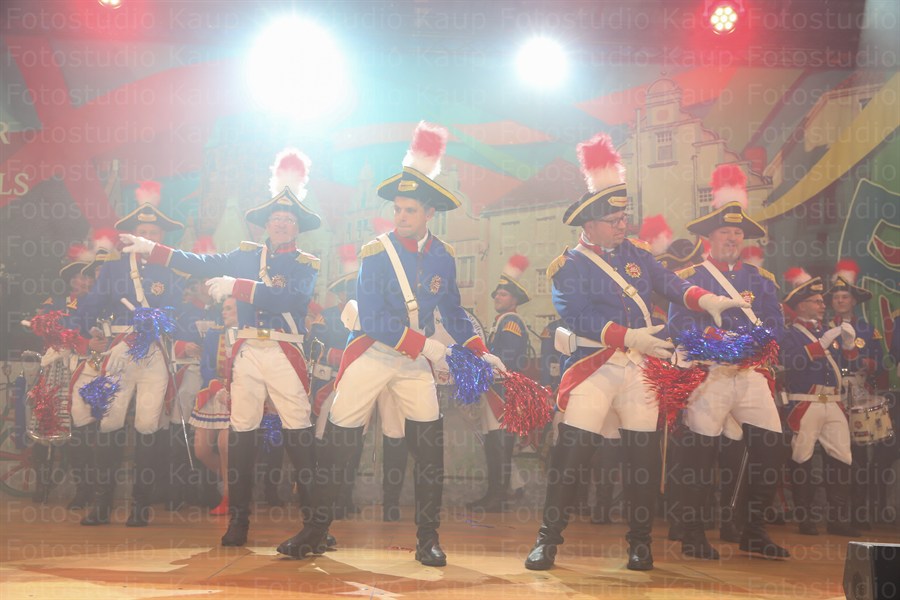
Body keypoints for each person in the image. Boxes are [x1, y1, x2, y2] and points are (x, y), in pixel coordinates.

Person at [276, 121, 507, 566]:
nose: (400, 217)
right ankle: (315, 529)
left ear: (429, 213)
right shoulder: (376, 252)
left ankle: (428, 539)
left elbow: (453, 312)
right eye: (398, 209)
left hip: (413, 361)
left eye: (410, 211)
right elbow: (375, 319)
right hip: (374, 353)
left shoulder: (443, 255)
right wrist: (431, 348)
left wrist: (481, 349)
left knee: (430, 449)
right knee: (339, 445)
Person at [524, 133, 747, 572]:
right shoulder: (569, 266)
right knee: (572, 456)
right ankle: (547, 540)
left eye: (624, 217)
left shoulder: (638, 255)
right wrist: (632, 337)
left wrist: (708, 300)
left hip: (640, 368)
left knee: (643, 460)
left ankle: (640, 544)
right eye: (613, 219)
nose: (622, 225)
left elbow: (672, 285)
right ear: (589, 224)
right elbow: (580, 317)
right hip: (595, 366)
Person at [121, 150, 323, 547]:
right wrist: (151, 249)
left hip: (284, 350)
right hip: (246, 352)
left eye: (288, 219)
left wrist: (237, 287)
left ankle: (317, 526)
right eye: (276, 218)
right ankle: (239, 522)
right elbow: (199, 263)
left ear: (297, 226)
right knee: (241, 435)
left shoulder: (306, 262)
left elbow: (290, 300)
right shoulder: (246, 255)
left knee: (299, 434)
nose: (281, 223)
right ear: (266, 223)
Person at [667, 164, 790, 560]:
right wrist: (717, 340)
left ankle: (752, 530)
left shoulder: (761, 278)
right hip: (710, 373)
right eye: (725, 232)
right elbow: (679, 324)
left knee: (771, 447)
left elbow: (775, 323)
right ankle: (692, 534)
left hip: (750, 372)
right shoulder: (689, 277)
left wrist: (753, 342)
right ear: (709, 237)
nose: (733, 239)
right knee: (700, 456)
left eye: (738, 233)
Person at [69, 181, 190, 527]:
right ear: (132, 236)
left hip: (154, 353)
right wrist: (81, 332)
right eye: (142, 232)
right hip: (121, 349)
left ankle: (141, 506)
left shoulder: (171, 270)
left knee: (147, 425)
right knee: (109, 422)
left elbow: (181, 315)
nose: (146, 236)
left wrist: (162, 321)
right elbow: (92, 304)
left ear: (160, 237)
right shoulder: (115, 268)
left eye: (153, 232)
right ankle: (102, 505)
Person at [781, 269, 860, 537]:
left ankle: (838, 519)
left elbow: (849, 364)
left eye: (821, 301)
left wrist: (849, 345)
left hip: (833, 401)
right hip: (806, 401)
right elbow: (791, 362)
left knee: (842, 457)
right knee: (801, 457)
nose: (822, 305)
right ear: (801, 305)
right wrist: (820, 344)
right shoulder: (790, 334)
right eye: (816, 301)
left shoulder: (828, 330)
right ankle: (805, 519)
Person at [468, 255, 531, 512]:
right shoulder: (501, 321)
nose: (497, 298)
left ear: (514, 300)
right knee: (494, 445)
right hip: (496, 390)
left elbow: (508, 358)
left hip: (503, 391)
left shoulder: (511, 322)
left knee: (500, 446)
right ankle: (494, 494)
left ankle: (499, 496)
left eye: (503, 295)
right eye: (497, 294)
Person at [190, 296, 238, 515]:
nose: (224, 312)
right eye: (223, 308)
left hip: (237, 395)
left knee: (225, 444)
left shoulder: (249, 334)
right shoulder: (213, 334)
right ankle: (238, 483)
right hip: (213, 392)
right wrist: (217, 388)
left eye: (229, 308)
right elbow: (206, 366)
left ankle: (228, 496)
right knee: (201, 450)